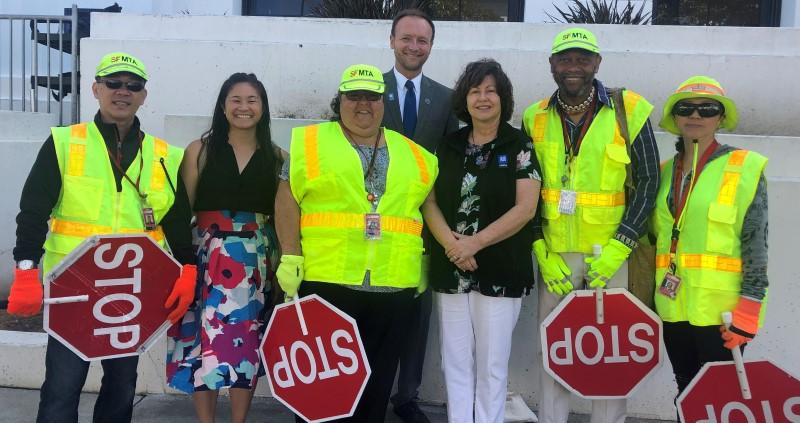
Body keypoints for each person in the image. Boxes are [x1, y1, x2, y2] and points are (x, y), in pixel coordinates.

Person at [6, 52, 195, 423]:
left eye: (133, 85)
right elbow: (32, 212)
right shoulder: (64, 143)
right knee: (63, 385)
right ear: (96, 89)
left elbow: (175, 218)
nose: (122, 92)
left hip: (131, 289)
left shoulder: (164, 156)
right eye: (113, 83)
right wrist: (26, 271)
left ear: (144, 95)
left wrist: (187, 268)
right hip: (73, 287)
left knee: (122, 385)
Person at [274, 63, 437, 423]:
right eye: (354, 96)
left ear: (383, 102)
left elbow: (427, 207)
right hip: (328, 281)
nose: (363, 104)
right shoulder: (310, 143)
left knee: (376, 388)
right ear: (340, 100)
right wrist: (290, 255)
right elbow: (287, 200)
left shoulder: (416, 154)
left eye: (372, 96)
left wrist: (425, 260)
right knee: (320, 386)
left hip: (392, 285)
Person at [521, 28, 660, 423]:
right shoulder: (535, 116)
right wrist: (539, 249)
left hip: (610, 256)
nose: (573, 67)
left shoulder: (628, 109)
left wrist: (623, 243)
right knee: (555, 350)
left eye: (583, 59)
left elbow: (649, 179)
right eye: (565, 59)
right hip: (557, 257)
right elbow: (526, 188)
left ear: (597, 63)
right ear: (552, 65)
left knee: (611, 356)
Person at [421, 59, 540, 423]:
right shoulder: (448, 145)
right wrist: (453, 247)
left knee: (491, 365)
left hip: (501, 267)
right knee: (454, 362)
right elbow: (428, 201)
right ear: (465, 99)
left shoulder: (519, 144)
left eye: (491, 90)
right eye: (475, 91)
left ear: (503, 97)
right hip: (451, 267)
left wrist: (474, 243)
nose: (483, 98)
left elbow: (526, 208)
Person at [166, 73, 281, 423]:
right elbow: (181, 209)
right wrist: (185, 264)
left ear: (263, 107)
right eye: (236, 99)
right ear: (222, 105)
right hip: (206, 260)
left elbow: (281, 215)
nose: (244, 107)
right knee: (204, 344)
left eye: (252, 100)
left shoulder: (278, 157)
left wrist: (280, 267)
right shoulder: (199, 151)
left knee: (246, 344)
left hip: (255, 263)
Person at [652, 76, 768, 417]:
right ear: (675, 118)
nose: (695, 115)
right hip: (673, 308)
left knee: (720, 399)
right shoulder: (663, 172)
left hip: (724, 314)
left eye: (707, 109)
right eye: (685, 108)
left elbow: (757, 246)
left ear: (720, 118)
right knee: (686, 391)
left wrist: (748, 313)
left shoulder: (745, 168)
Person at [381, 9, 459, 423]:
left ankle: (406, 396)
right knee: (373, 309)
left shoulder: (447, 99)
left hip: (425, 228)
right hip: (373, 226)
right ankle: (370, 389)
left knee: (418, 314)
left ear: (431, 46)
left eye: (422, 40)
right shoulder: (366, 91)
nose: (414, 47)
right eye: (406, 38)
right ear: (392, 41)